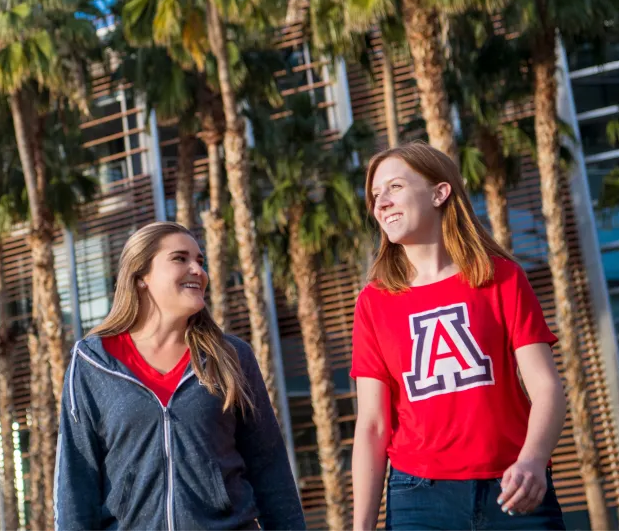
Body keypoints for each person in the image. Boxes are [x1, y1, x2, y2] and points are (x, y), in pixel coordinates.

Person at [351, 141, 568, 530]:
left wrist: (533, 459)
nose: (380, 202)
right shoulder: (373, 302)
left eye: (395, 187)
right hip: (418, 499)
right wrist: (361, 526)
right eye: (375, 194)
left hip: (515, 489)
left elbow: (547, 388)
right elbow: (372, 424)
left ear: (440, 192)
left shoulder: (502, 278)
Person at [54, 221, 306, 530]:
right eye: (180, 258)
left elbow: (271, 470)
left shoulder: (231, 357)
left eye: (200, 261)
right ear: (141, 276)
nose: (198, 270)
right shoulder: (93, 363)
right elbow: (75, 480)